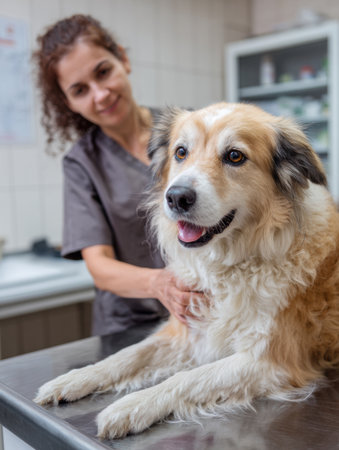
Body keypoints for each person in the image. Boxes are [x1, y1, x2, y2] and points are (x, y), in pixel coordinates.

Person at [33, 14, 206, 336]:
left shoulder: (185, 129)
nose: (100, 95)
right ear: (68, 102)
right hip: (131, 326)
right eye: (80, 90)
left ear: (122, 59)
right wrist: (160, 284)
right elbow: (99, 266)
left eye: (103, 72)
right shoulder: (82, 163)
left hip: (204, 314)